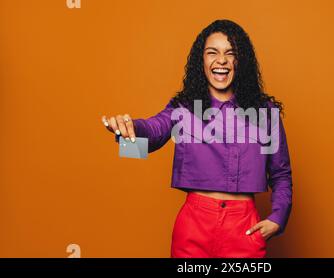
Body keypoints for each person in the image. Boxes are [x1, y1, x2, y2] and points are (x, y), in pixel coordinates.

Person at [101, 19, 292, 258]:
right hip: (193, 225)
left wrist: (278, 218)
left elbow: (281, 173)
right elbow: (151, 134)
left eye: (230, 53)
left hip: (244, 226)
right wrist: (127, 131)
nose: (221, 60)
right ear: (201, 61)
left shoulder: (265, 112)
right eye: (212, 52)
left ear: (240, 61)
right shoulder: (185, 107)